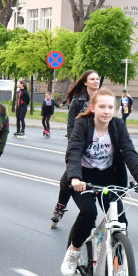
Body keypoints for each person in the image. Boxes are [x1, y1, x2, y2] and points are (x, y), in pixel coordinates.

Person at [60, 89, 138, 276]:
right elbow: (74, 151)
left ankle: (118, 267)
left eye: (110, 107)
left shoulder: (118, 126)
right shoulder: (83, 124)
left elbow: (129, 153)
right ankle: (74, 251)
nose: (106, 111)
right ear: (93, 108)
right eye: (102, 107)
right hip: (83, 179)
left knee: (120, 223)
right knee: (89, 214)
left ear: (116, 109)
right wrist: (76, 178)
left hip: (109, 178)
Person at [50, 70, 100, 227]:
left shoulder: (103, 97)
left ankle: (95, 215)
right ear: (85, 82)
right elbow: (71, 125)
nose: (96, 81)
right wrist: (75, 146)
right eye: (92, 79)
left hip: (99, 146)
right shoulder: (78, 101)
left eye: (97, 79)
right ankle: (60, 207)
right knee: (69, 177)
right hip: (79, 145)